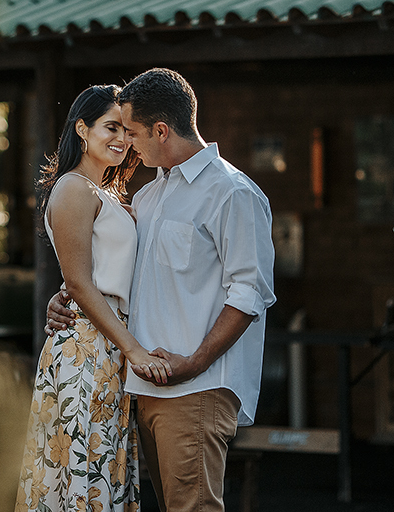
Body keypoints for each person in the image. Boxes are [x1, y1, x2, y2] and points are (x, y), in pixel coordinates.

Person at [47, 68, 276, 512]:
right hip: (143, 387)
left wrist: (193, 363)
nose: (127, 143)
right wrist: (66, 294)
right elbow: (114, 273)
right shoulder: (149, 197)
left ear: (161, 130)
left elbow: (249, 294)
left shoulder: (231, 193)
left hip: (196, 387)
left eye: (131, 132)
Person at [16, 85, 173, 512]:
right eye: (110, 127)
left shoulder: (107, 194)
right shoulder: (72, 189)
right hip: (86, 349)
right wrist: (134, 349)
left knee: (104, 467)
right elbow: (81, 283)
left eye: (126, 130)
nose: (121, 139)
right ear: (81, 129)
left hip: (110, 348)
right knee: (82, 471)